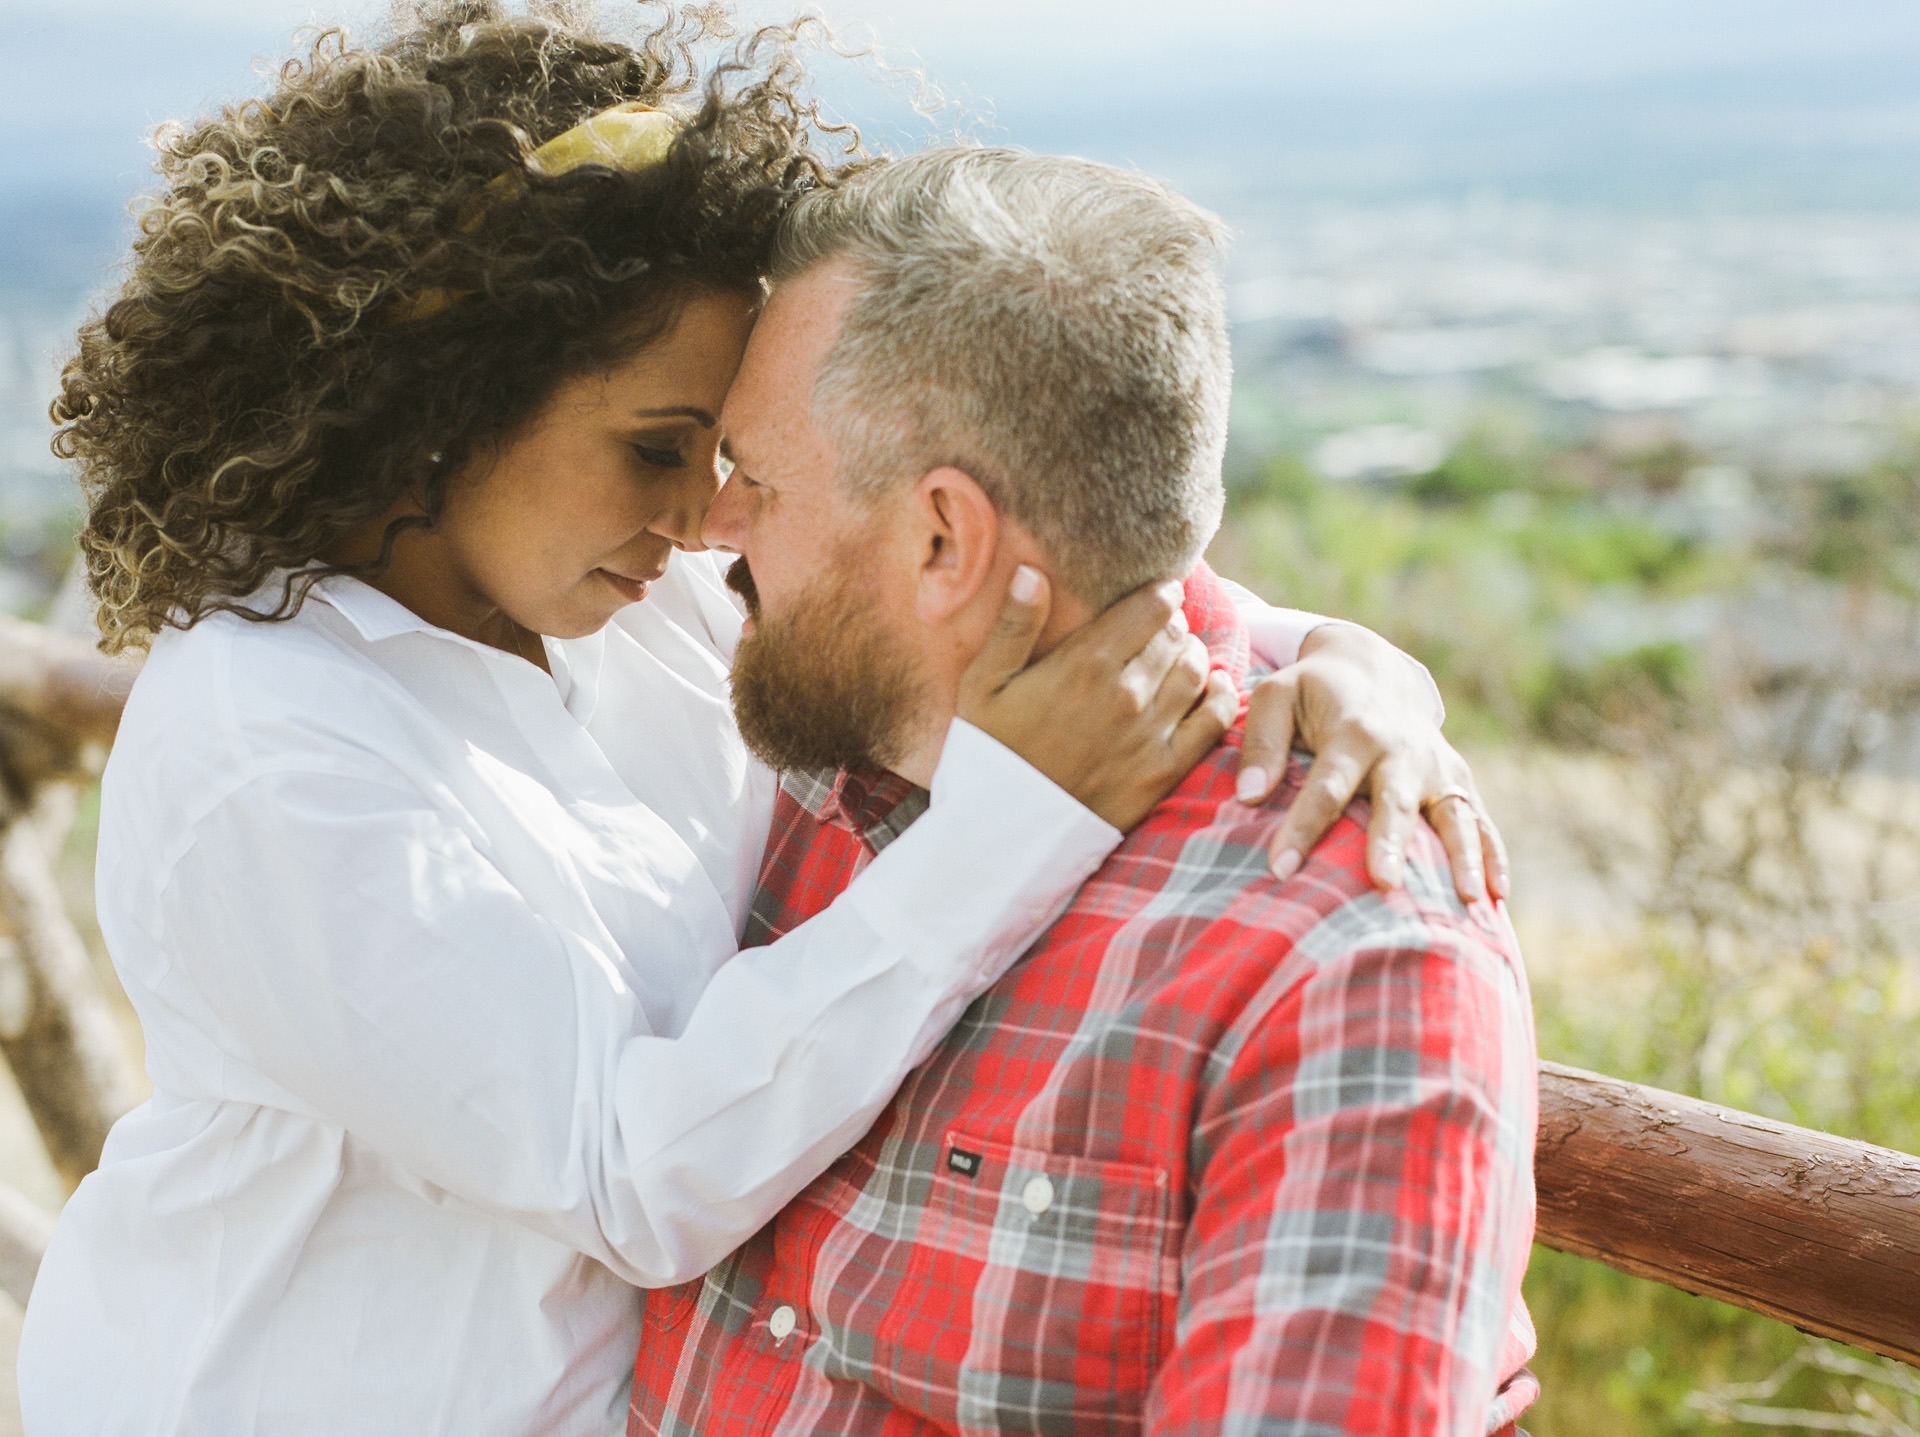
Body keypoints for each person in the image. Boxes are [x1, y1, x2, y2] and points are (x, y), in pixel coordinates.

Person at [19, 7, 1506, 1435]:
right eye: (656, 448)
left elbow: (1037, 562)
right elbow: (626, 1173)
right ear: (446, 400)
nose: (702, 516)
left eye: (731, 454)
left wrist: (1348, 665)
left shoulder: (631, 608)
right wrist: (1017, 819)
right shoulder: (266, 742)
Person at [625, 148, 1539, 1437]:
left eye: (756, 480)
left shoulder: (1344, 955)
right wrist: (1342, 648)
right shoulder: (813, 750)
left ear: (943, 541)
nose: (711, 527)